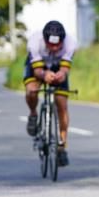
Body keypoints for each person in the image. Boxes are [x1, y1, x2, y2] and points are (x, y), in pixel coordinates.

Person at [23, 20, 76, 167]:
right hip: (38, 66)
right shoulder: (34, 43)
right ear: (44, 40)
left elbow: (65, 69)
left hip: (57, 66)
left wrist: (62, 74)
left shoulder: (70, 43)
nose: (54, 48)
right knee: (31, 91)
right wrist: (44, 74)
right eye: (50, 45)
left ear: (63, 40)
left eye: (58, 45)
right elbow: (37, 71)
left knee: (62, 104)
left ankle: (61, 146)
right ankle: (33, 114)